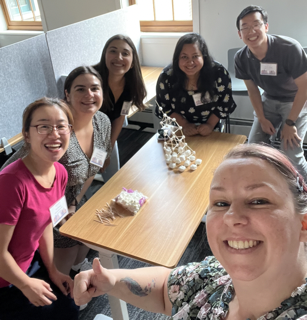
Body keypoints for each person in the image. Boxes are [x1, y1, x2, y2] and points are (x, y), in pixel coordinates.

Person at [73, 143, 307, 319]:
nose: (232, 217)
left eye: (258, 201)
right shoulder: (216, 275)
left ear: (303, 224)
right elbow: (170, 287)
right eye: (221, 203)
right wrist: (111, 280)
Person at [1, 66, 112, 276]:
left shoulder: (102, 122)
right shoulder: (55, 135)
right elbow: (9, 171)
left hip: (74, 199)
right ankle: (63, 288)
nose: (89, 95)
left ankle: (77, 270)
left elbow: (91, 169)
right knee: (67, 249)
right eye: (80, 89)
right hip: (46, 208)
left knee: (87, 238)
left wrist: (75, 203)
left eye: (95, 88)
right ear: (67, 94)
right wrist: (61, 212)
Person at [0, 98, 79, 320]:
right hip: (4, 278)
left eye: (61, 126)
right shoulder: (11, 182)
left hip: (28, 262)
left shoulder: (60, 172)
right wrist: (25, 284)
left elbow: (45, 223)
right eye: (44, 126)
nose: (54, 134)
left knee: (70, 307)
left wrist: (52, 270)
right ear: (27, 135)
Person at [234, 5, 307, 180]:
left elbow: (305, 88)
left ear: (266, 27)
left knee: (291, 155)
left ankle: (303, 189)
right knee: (253, 149)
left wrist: (289, 123)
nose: (251, 31)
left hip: (295, 99)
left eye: (256, 25)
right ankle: (264, 182)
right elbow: (253, 91)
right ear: (239, 34)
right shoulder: (241, 58)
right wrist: (262, 118)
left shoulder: (289, 48)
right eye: (245, 27)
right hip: (269, 99)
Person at [155, 33, 237, 137]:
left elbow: (225, 103)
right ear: (177, 58)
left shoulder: (218, 73)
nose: (190, 62)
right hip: (177, 126)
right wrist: (185, 125)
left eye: (195, 56)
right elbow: (164, 107)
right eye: (184, 57)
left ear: (204, 56)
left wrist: (209, 125)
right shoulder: (167, 77)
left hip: (212, 125)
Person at [93, 34, 147, 149]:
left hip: (103, 137)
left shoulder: (130, 86)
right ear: (105, 55)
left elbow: (121, 116)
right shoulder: (90, 80)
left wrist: (109, 148)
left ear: (132, 62)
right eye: (113, 51)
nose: (119, 57)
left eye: (125, 53)